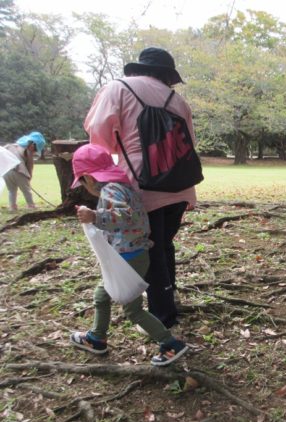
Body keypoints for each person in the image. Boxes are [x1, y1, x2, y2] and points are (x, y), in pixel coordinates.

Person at [84, 47, 196, 329]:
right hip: (180, 185)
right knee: (164, 243)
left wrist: (124, 148)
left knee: (151, 248)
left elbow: (99, 135)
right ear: (167, 74)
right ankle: (169, 298)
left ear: (139, 68)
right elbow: (190, 143)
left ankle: (163, 317)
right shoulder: (178, 100)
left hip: (142, 183)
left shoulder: (119, 88)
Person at [69, 144, 188, 366]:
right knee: (103, 296)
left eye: (83, 183)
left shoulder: (110, 190)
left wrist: (95, 215)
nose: (85, 187)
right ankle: (97, 337)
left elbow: (126, 216)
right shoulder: (122, 186)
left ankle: (170, 343)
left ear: (89, 178)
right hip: (133, 254)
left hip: (128, 258)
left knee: (132, 310)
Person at [3, 131, 46, 211]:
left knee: (11, 190)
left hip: (7, 171)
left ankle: (12, 207)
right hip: (19, 171)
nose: (35, 151)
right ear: (33, 145)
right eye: (36, 149)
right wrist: (29, 176)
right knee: (26, 190)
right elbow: (30, 165)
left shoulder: (12, 146)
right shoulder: (28, 150)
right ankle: (31, 205)